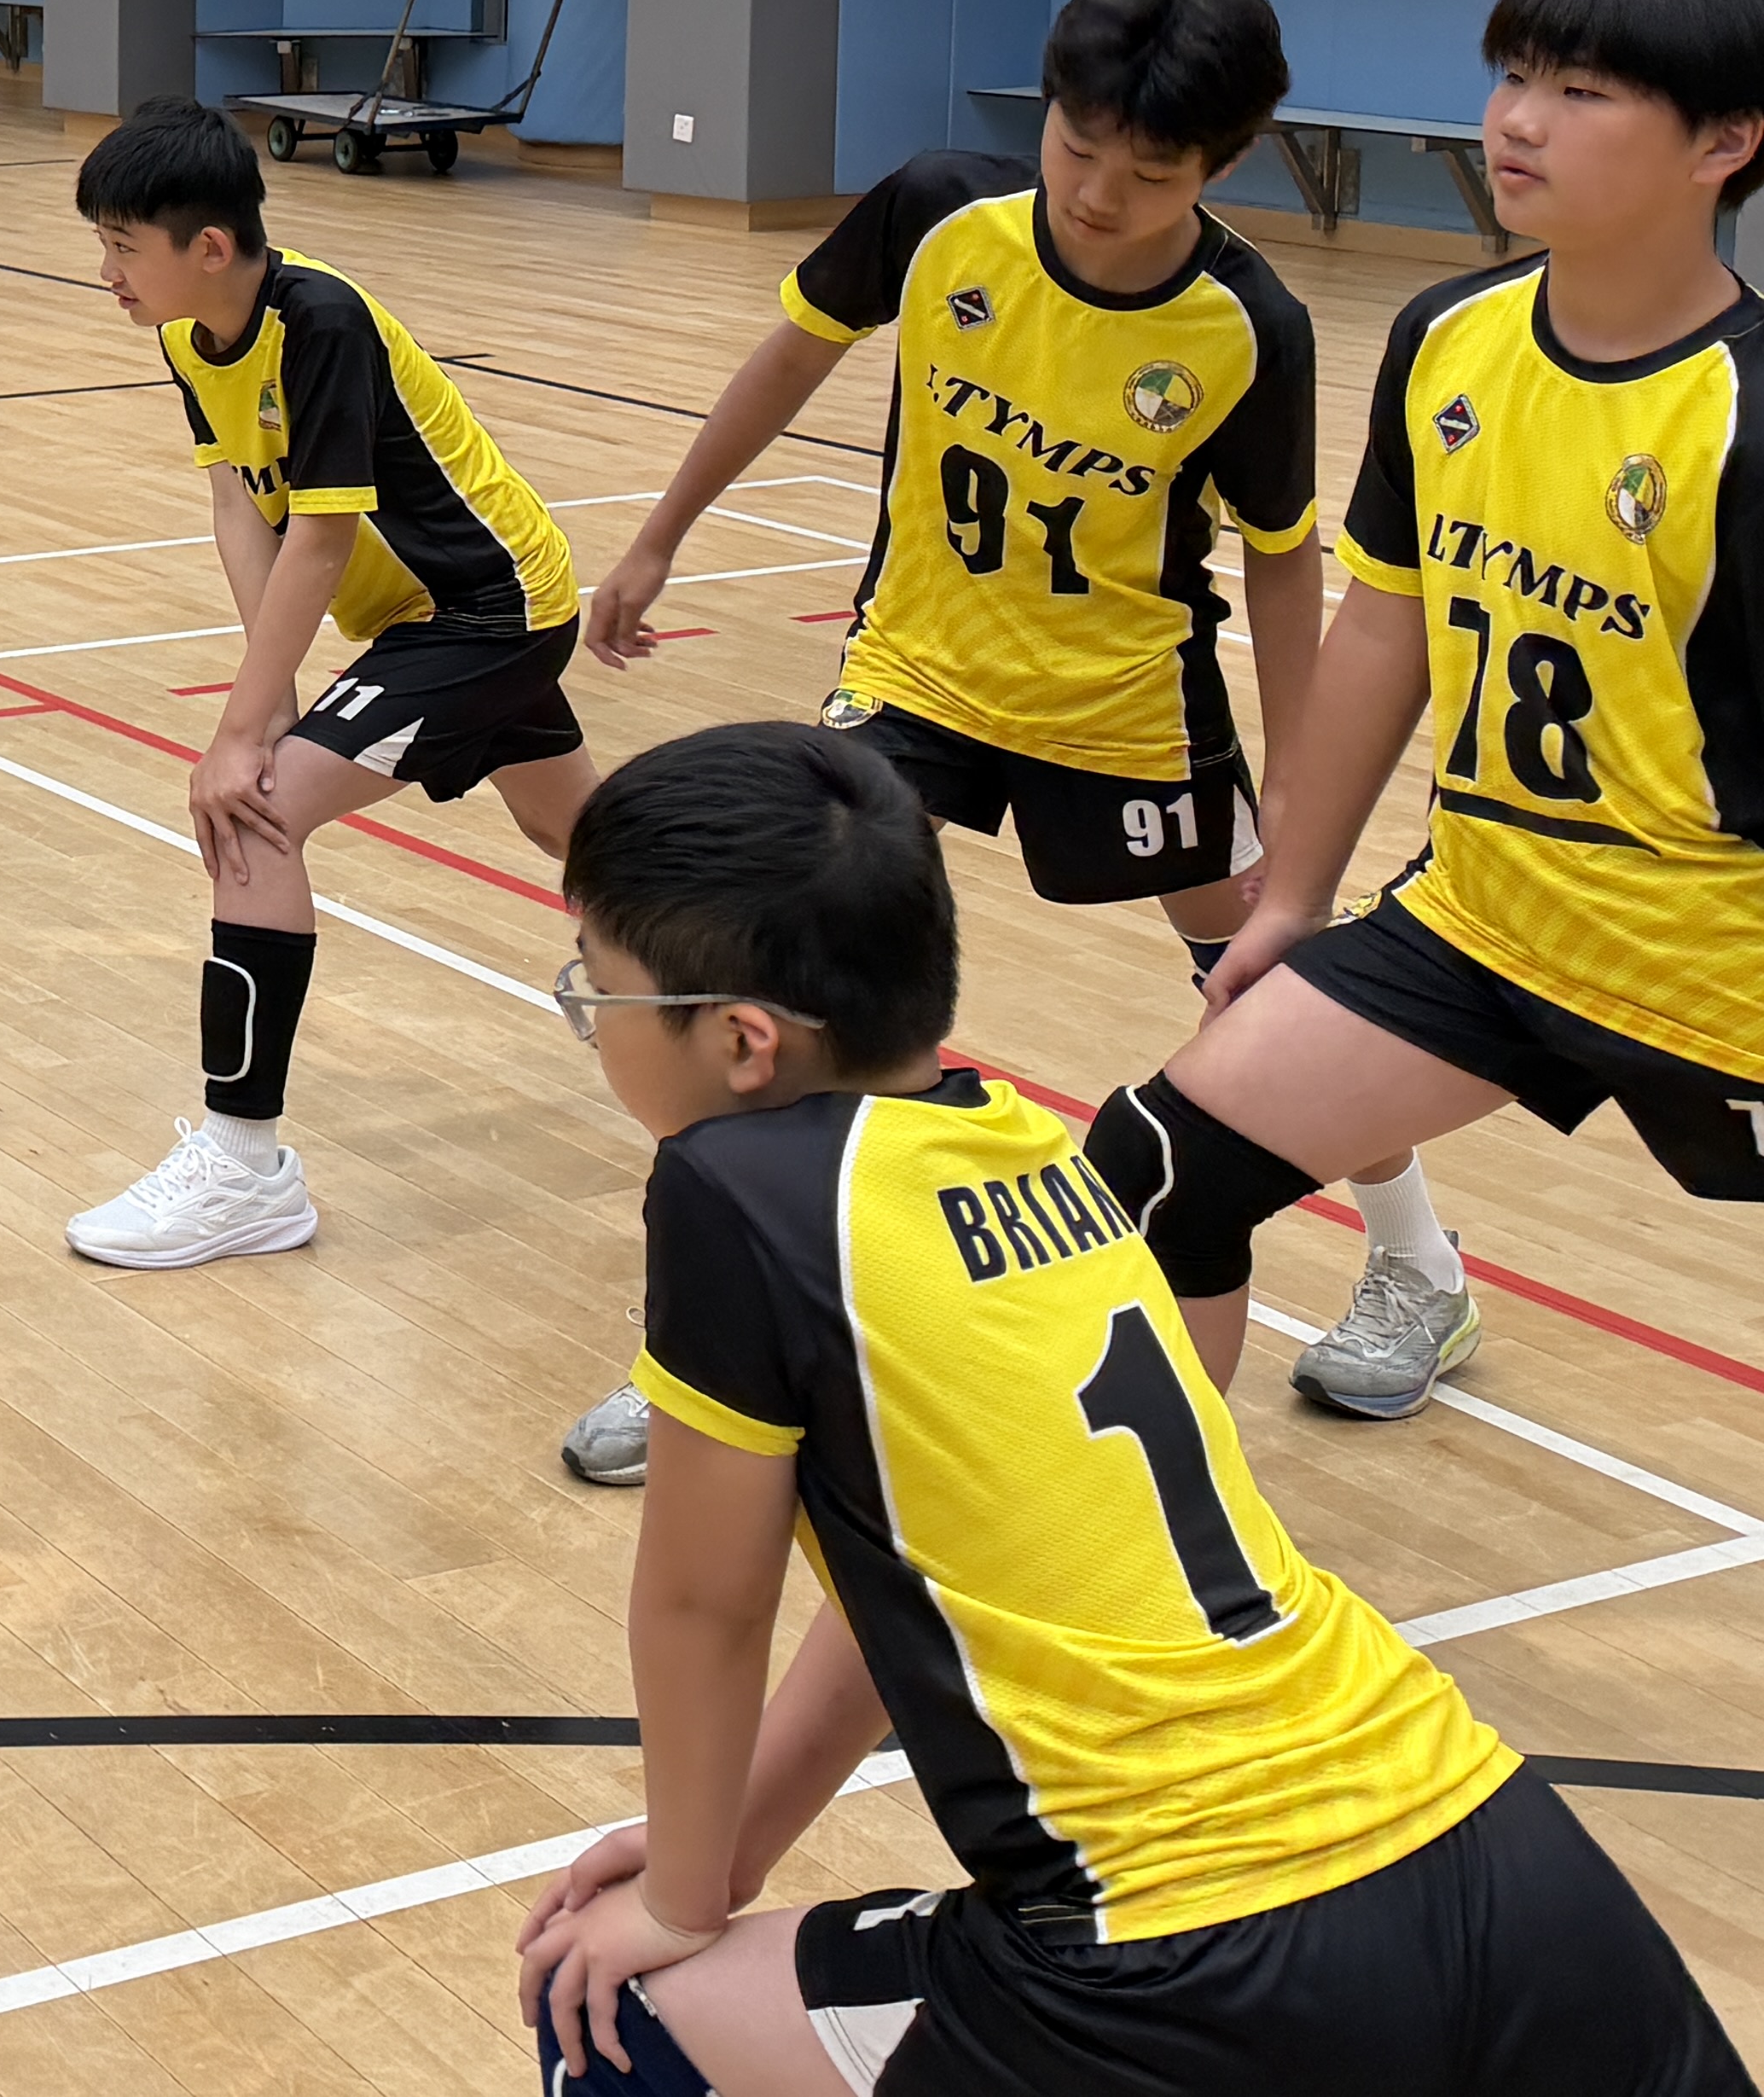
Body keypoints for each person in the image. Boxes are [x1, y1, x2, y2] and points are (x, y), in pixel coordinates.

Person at [515, 721, 1745, 2097]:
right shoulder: (1029, 1147)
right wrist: (737, 1843)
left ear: (743, 1040)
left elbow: (705, 1600)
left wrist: (683, 1896)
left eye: (599, 989)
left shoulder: (733, 1186)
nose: (591, 1019)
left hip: (1185, 1952)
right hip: (1496, 1854)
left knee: (610, 2008)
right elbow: (914, 1595)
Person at [563, 0, 1467, 1487]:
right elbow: (792, 353)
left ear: (1225, 162)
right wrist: (659, 534)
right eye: (1075, 143)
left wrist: (1302, 802)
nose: (1098, 192)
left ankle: (1418, 1265)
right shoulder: (938, 212)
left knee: (1269, 993)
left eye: (1151, 170)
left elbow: (1279, 558)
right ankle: (745, 1341)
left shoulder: (1248, 324)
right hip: (915, 674)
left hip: (1128, 707)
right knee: (788, 970)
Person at [1091, 0, 1764, 1401]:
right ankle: (1171, 1543)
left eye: (1581, 91)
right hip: (1488, 919)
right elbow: (1384, 619)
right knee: (1156, 1172)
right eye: (1513, 73)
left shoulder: (1743, 416)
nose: (1517, 118)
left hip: (1716, 965)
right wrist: (1292, 897)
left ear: (1724, 142)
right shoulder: (1447, 335)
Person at [71, 97, 590, 1267]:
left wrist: (241, 735)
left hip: (489, 609)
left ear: (210, 247)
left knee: (252, 816)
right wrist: (276, 694)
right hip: (421, 621)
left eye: (122, 247)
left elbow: (321, 535)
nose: (107, 272)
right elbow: (238, 505)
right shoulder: (189, 336)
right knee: (589, 846)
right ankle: (762, 997)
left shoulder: (323, 323)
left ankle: (244, 1168)